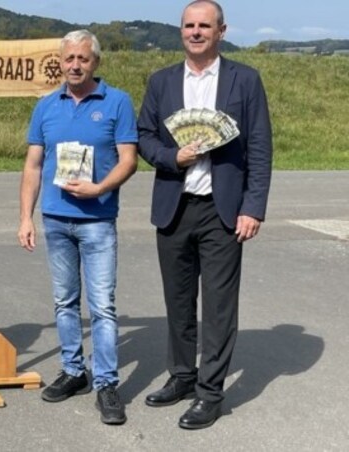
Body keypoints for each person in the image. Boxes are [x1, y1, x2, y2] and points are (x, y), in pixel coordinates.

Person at [137, 0, 272, 430]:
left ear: (221, 31)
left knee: (218, 307)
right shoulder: (161, 82)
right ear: (181, 31)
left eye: (204, 26)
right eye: (189, 25)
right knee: (177, 302)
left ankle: (210, 394)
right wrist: (170, 155)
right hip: (174, 207)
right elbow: (144, 137)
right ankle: (181, 376)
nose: (195, 32)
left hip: (223, 210)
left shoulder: (244, 80)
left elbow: (259, 149)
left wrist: (253, 207)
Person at [18, 30, 138, 426]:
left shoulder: (117, 102)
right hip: (55, 219)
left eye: (83, 59)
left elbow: (129, 160)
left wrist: (100, 187)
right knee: (65, 302)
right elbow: (33, 165)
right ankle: (74, 371)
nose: (74, 65)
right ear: (61, 61)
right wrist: (25, 217)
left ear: (95, 62)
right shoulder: (46, 106)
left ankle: (106, 383)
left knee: (102, 306)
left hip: (98, 221)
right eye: (69, 58)